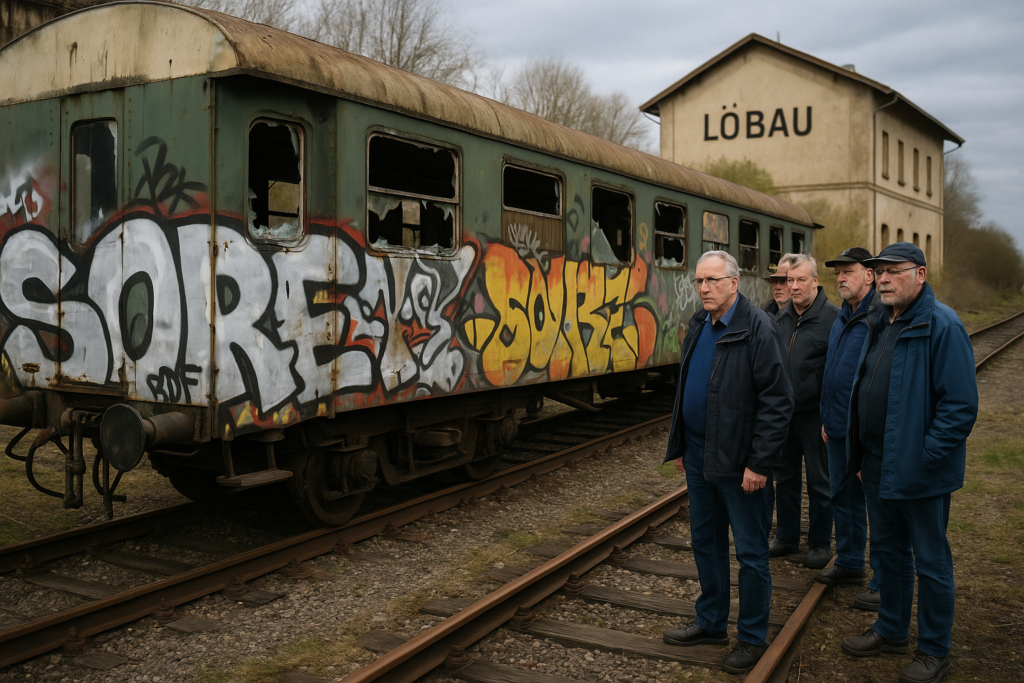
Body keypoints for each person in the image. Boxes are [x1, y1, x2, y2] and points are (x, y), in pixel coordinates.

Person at [840, 243, 978, 683]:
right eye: (878, 272)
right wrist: (862, 453)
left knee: (930, 561)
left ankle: (934, 650)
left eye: (893, 271)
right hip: (878, 464)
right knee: (888, 553)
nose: (882, 279)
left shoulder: (943, 326)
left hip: (920, 470)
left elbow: (959, 408)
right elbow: (869, 388)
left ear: (920, 274)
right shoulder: (882, 321)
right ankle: (892, 628)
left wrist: (924, 459)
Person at [662, 251, 794, 675]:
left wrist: (759, 463)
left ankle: (752, 637)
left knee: (752, 553)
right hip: (700, 455)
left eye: (713, 280)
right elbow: (686, 387)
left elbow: (778, 402)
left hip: (741, 465)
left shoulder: (759, 328)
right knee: (706, 542)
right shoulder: (700, 323)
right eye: (700, 281)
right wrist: (682, 443)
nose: (704, 288)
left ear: (734, 283)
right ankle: (711, 622)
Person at [815, 247, 881, 611]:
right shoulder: (844, 316)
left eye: (848, 271)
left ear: (869, 275)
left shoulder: (878, 315)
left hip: (865, 434)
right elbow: (834, 373)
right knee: (843, 497)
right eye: (838, 272)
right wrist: (828, 418)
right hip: (837, 428)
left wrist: (857, 428)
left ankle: (884, 581)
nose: (840, 278)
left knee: (878, 506)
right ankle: (850, 562)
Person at [769, 254, 839, 569]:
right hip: (784, 416)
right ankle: (786, 537)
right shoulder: (780, 319)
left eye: (800, 280)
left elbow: (838, 373)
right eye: (789, 280)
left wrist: (830, 415)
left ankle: (821, 543)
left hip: (816, 416)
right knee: (784, 478)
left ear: (815, 282)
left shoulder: (833, 320)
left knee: (819, 481)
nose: (793, 287)